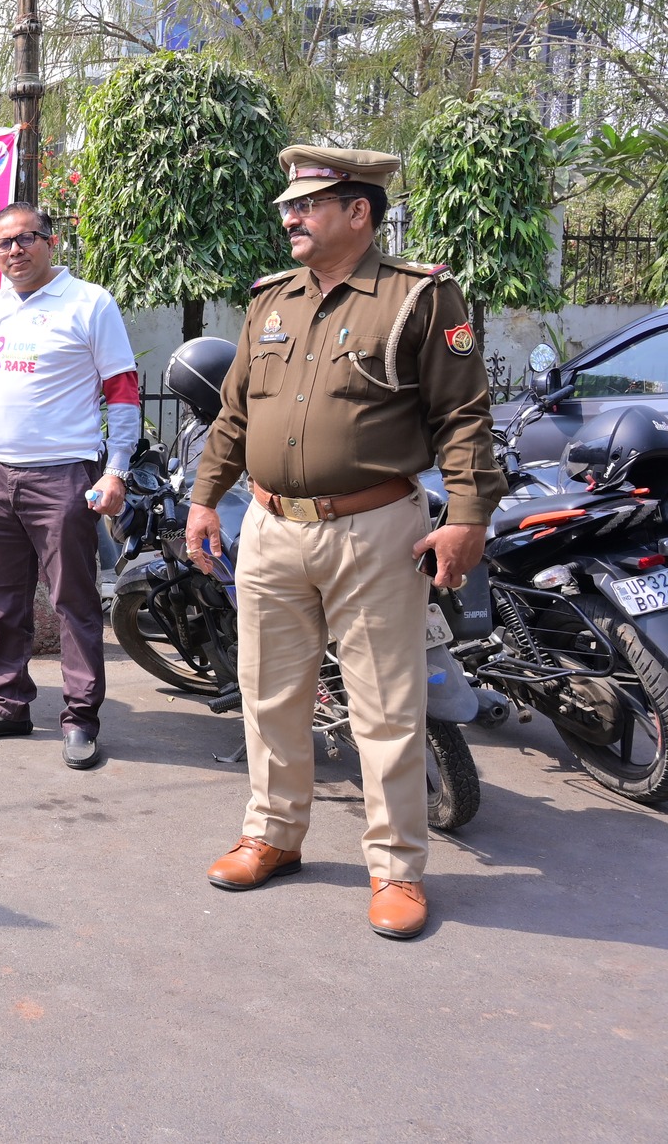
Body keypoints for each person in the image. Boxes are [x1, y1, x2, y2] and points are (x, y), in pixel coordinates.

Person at [186, 146, 503, 940]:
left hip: (374, 526)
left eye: (307, 206)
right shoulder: (269, 301)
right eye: (287, 206)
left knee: (387, 705)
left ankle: (397, 869)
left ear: (358, 212)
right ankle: (273, 833)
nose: (289, 217)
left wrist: (467, 513)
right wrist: (203, 498)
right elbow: (234, 413)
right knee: (268, 694)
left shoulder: (418, 298)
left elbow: (464, 416)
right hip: (269, 528)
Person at [0, 203, 139, 769]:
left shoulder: (89, 302)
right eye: (3, 243)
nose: (14, 250)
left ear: (50, 242)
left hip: (62, 474)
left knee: (73, 600)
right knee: (0, 597)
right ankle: (7, 703)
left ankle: (81, 717)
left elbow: (124, 389)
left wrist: (117, 469)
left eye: (26, 238)